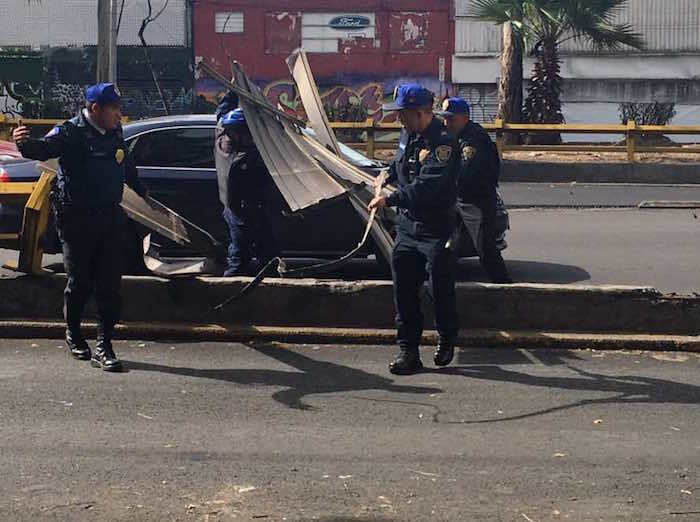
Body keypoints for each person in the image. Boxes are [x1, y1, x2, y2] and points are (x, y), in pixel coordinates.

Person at [12, 83, 148, 372]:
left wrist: (143, 192)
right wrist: (22, 142)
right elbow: (42, 149)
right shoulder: (70, 132)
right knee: (80, 281)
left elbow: (126, 164)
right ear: (95, 109)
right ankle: (74, 333)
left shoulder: (115, 131)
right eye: (114, 108)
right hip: (77, 219)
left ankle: (104, 344)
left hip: (110, 217)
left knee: (110, 284)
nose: (118, 114)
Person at [368, 84, 460, 375]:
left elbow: (427, 186)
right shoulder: (409, 134)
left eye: (404, 115)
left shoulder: (444, 143)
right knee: (404, 289)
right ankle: (408, 351)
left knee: (438, 288)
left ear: (422, 113)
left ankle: (446, 337)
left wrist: (389, 199)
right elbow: (400, 164)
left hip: (436, 227)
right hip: (408, 226)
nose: (400, 121)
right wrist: (384, 174)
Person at [437, 97, 512, 284]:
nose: (447, 123)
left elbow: (465, 173)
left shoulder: (474, 139)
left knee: (485, 247)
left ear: (464, 117)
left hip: (475, 202)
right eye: (445, 118)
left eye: (451, 119)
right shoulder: (458, 136)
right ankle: (447, 283)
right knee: (448, 245)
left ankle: (504, 287)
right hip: (459, 200)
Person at [214, 108, 279, 276]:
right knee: (241, 255)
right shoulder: (241, 159)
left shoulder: (222, 139)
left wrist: (234, 89)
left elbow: (221, 115)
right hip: (243, 211)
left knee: (266, 254)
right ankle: (229, 291)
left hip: (246, 208)